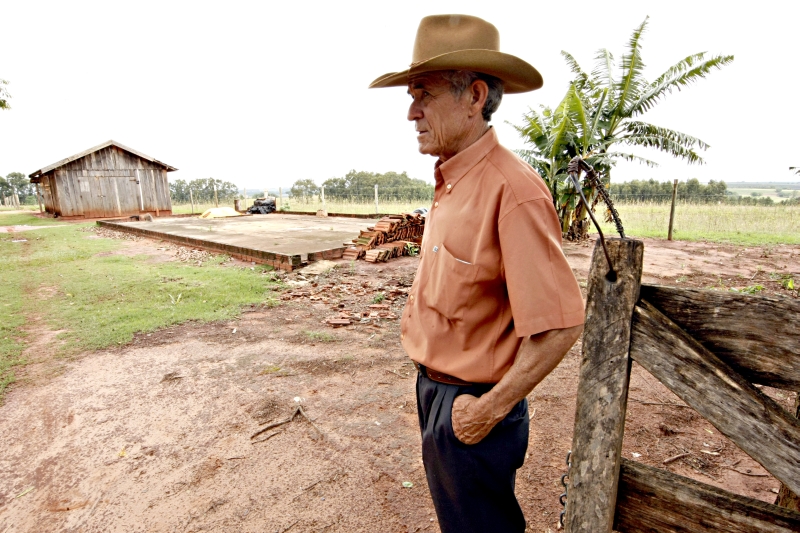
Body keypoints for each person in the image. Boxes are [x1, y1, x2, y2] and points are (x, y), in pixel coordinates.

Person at [369, 14, 586, 533]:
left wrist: (489, 409)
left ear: (475, 97)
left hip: (473, 404)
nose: (411, 112)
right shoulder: (454, 179)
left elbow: (561, 323)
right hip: (437, 392)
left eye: (424, 94)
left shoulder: (512, 191)